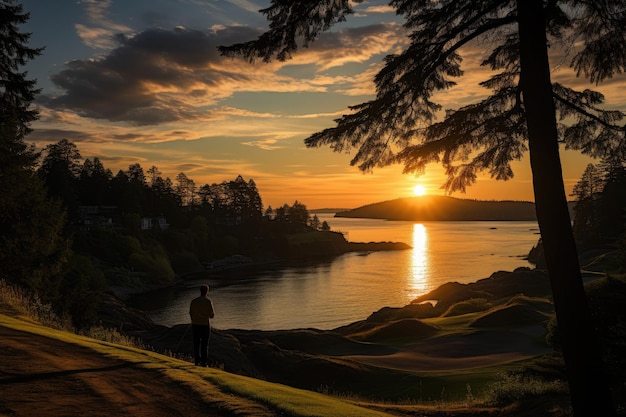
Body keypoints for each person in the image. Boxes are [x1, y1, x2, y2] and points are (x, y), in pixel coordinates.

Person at [189, 284, 215, 366]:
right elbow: (212, 315)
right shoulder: (208, 301)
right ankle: (203, 363)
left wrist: (194, 319)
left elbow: (191, 313)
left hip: (195, 325)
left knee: (196, 344)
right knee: (204, 344)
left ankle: (196, 361)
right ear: (207, 291)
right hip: (204, 325)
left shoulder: (193, 301)